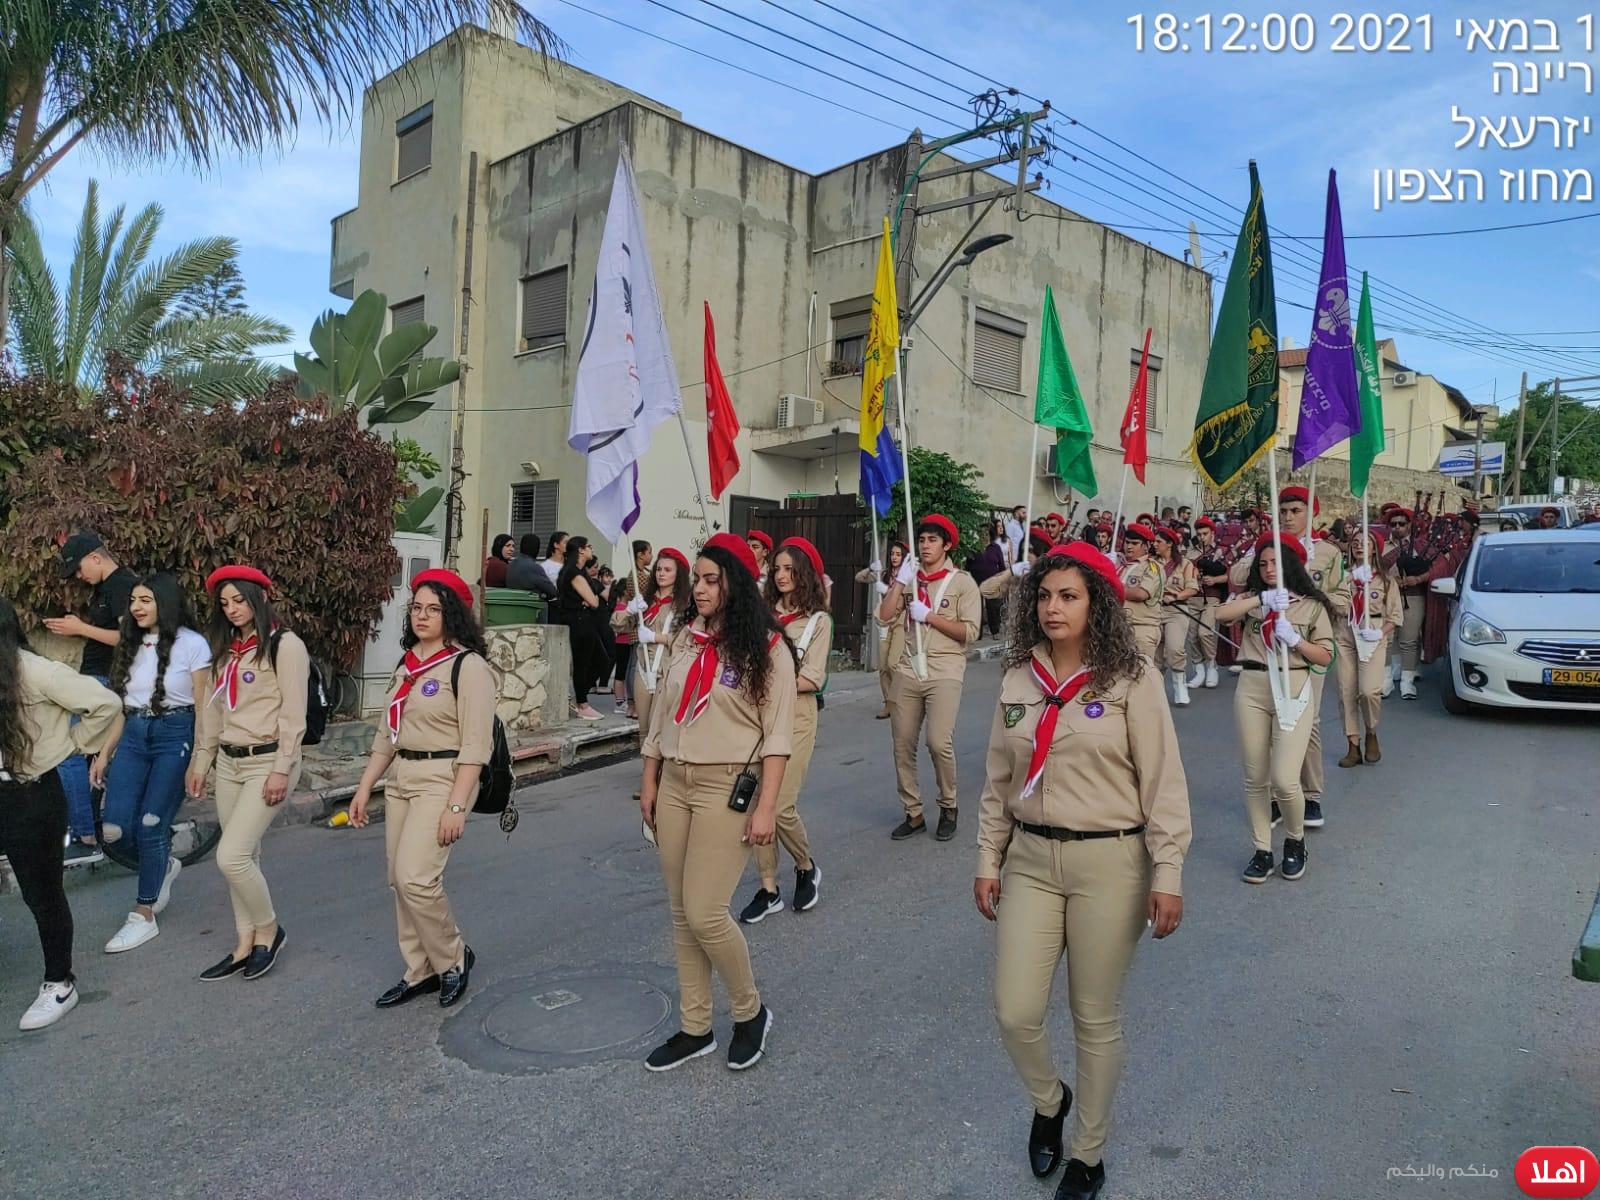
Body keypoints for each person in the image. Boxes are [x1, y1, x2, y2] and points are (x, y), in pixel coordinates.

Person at [974, 543, 1190, 1200]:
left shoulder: (1131, 679)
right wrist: (987, 858)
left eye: (1069, 596)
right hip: (1031, 860)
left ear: (1097, 604)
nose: (1052, 608)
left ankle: (1088, 1153)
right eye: (1044, 596)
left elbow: (1163, 783)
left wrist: (1168, 872)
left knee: (1094, 1016)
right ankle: (1050, 1101)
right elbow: (998, 780)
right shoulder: (1019, 678)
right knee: (1015, 1010)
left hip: (1111, 863)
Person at [638, 533, 793, 1072]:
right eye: (697, 579)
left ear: (736, 585)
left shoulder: (768, 648)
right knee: (682, 912)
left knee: (706, 912)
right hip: (675, 783)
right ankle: (695, 1026)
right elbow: (661, 714)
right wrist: (650, 778)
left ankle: (750, 1011)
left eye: (711, 580)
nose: (699, 589)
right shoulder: (686, 637)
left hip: (727, 787)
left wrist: (767, 807)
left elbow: (777, 737)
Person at [348, 569, 495, 1009]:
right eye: (416, 607)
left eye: (434, 608)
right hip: (401, 777)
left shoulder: (468, 667)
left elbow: (476, 745)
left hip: (443, 778)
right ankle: (420, 969)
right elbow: (387, 735)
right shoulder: (407, 664)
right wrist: (364, 787)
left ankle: (453, 958)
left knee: (417, 877)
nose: (422, 616)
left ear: (452, 614)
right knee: (399, 880)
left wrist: (456, 805)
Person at [2, 596, 120, 1030]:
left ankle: (59, 982)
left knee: (41, 894)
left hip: (31, 797)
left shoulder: (36, 671)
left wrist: (71, 745)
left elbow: (105, 703)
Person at [188, 566, 307, 981]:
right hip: (229, 761)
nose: (233, 609)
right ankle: (244, 942)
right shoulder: (226, 648)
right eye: (225, 603)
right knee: (245, 856)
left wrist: (281, 769)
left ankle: (269, 931)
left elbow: (294, 715)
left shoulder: (284, 646)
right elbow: (212, 710)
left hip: (268, 761)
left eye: (239, 600)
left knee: (231, 856)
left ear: (260, 598)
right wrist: (202, 761)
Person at [93, 574, 213, 953]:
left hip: (175, 734)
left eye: (145, 600)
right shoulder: (130, 641)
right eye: (133, 600)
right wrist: (104, 753)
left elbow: (204, 708)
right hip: (133, 733)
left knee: (150, 825)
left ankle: (143, 914)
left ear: (165, 601)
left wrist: (200, 760)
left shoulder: (193, 644)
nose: (136, 607)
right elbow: (122, 706)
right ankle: (161, 864)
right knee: (113, 829)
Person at [1214, 535, 1335, 884]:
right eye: (1263, 564)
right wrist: (1261, 599)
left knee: (1284, 779)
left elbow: (1325, 656)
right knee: (1255, 779)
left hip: (1293, 686)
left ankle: (1295, 840)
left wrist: (1296, 641)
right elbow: (1221, 615)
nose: (1268, 569)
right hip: (1252, 686)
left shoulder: (1311, 606)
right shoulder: (1254, 601)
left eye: (1275, 564)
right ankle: (1262, 849)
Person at [739, 537, 830, 923]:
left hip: (797, 714)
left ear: (805, 574)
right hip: (758, 714)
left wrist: (769, 682)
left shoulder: (818, 621)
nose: (780, 575)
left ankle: (806, 865)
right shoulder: (762, 616)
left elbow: (813, 678)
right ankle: (769, 888)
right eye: (777, 568)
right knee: (758, 801)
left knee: (780, 805)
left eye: (789, 569)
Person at [878, 514, 981, 842]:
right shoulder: (910, 579)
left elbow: (970, 632)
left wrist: (931, 617)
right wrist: (899, 581)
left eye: (932, 540)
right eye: (921, 540)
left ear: (947, 545)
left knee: (938, 742)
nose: (925, 546)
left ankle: (949, 805)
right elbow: (883, 617)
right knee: (902, 744)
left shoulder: (962, 582)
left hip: (945, 668)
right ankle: (913, 812)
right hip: (909, 667)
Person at [43, 531, 137, 866]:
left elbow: (129, 638)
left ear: (96, 558)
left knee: (68, 750)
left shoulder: (122, 585)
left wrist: (80, 629)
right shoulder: (105, 589)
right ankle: (84, 823)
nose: (80, 577)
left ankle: (85, 836)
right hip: (94, 680)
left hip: (107, 681)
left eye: (80, 569)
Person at [1276, 487, 1349, 830]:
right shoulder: (1270, 547)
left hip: (1310, 644)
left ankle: (1311, 794)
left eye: (1295, 511)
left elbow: (1343, 599)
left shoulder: (1328, 553)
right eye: (1283, 511)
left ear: (1311, 513)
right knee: (1275, 719)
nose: (1288, 517)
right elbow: (1238, 578)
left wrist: (1312, 595)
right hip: (1272, 644)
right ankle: (1277, 796)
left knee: (1309, 719)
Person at [1336, 531, 1401, 768]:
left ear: (1375, 549)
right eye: (1355, 543)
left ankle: (1371, 730)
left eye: (1365, 543)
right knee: (1346, 692)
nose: (1359, 546)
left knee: (1369, 691)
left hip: (1371, 635)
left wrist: (1380, 632)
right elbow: (1331, 600)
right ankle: (1352, 745)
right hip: (1345, 633)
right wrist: (1350, 580)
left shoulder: (1386, 580)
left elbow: (1395, 616)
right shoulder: (1341, 577)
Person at [630, 548, 692, 737]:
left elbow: (686, 638)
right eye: (658, 569)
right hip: (643, 668)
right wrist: (629, 610)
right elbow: (618, 625)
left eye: (667, 570)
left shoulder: (685, 604)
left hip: (667, 670)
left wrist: (655, 637)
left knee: (657, 730)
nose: (661, 574)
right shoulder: (645, 600)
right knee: (643, 730)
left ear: (678, 574)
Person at [1380, 508, 1430, 700]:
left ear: (1409, 525)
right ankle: (1386, 680)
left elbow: (1436, 568)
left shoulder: (1421, 545)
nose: (1397, 527)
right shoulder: (1382, 546)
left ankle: (1407, 682)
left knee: (1409, 640)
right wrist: (1391, 581)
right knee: (1386, 639)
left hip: (1414, 596)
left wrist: (1417, 579)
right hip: (1388, 597)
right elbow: (1376, 568)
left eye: (1401, 524)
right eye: (1393, 524)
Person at [856, 541, 909, 721]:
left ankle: (899, 700)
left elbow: (908, 597)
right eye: (892, 554)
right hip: (885, 622)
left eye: (898, 554)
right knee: (883, 665)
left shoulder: (908, 576)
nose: (894, 557)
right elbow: (859, 578)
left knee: (893, 663)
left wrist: (888, 590)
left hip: (900, 621)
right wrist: (871, 569)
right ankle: (888, 703)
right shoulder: (884, 574)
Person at [555, 537, 607, 721]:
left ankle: (579, 698)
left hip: (583, 620)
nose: (592, 549)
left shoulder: (578, 571)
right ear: (581, 550)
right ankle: (582, 704)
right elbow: (594, 601)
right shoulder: (574, 573)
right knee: (583, 663)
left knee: (600, 660)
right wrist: (591, 599)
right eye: (589, 546)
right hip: (579, 621)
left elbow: (591, 600)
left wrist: (590, 599)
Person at [609, 541, 654, 719]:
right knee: (635, 667)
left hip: (637, 626)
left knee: (631, 666)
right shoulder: (638, 576)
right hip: (639, 625)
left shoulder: (637, 574)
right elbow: (650, 596)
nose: (651, 556)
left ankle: (632, 704)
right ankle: (633, 703)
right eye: (649, 552)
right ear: (640, 554)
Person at [1185, 517, 1227, 689]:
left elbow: (1230, 575)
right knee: (1192, 635)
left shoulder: (1221, 551)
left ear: (1212, 533)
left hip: (1212, 596)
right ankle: (1199, 669)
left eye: (1205, 533)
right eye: (1199, 534)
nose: (1202, 537)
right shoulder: (1190, 552)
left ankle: (1211, 665)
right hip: (1193, 596)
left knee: (1205, 632)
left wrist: (1215, 579)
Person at [1117, 524, 1163, 663]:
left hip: (1141, 628)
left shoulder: (1152, 567)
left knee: (1142, 672)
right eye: (1127, 542)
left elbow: (1141, 594)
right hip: (1118, 627)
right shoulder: (1120, 565)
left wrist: (1113, 588)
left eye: (1135, 543)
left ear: (1146, 546)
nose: (1129, 546)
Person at [970, 520, 1011, 639]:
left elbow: (1001, 566)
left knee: (993, 607)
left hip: (992, 582)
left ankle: (995, 631)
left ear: (990, 534)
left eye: (986, 533)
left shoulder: (995, 548)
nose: (984, 535)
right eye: (981, 533)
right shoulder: (974, 548)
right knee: (976, 608)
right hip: (976, 581)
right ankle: (977, 633)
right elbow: (968, 565)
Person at [507, 534, 556, 603]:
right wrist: (542, 595)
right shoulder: (534, 567)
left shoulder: (511, 565)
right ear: (537, 549)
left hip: (513, 604)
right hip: (531, 606)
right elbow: (552, 592)